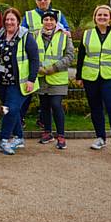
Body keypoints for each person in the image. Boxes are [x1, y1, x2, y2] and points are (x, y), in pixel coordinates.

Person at [76, 5, 111, 160]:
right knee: (95, 108)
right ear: (94, 17)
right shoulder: (87, 34)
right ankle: (100, 138)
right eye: (99, 15)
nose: (102, 17)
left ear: (110, 18)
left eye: (105, 15)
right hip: (90, 77)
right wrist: (79, 76)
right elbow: (81, 56)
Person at [0, 8, 39, 155]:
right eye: (7, 20)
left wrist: (31, 79)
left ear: (18, 21)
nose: (9, 22)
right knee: (12, 110)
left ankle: (4, 140)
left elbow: (35, 60)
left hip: (19, 82)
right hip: (1, 81)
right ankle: (19, 137)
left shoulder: (26, 37)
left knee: (10, 109)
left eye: (12, 19)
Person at [20, 0, 70, 129]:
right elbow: (22, 35)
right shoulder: (28, 16)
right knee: (27, 92)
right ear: (35, 0)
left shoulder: (59, 15)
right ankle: (21, 118)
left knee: (47, 100)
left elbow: (66, 33)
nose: (42, 1)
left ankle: (43, 121)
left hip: (53, 68)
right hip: (33, 62)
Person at [34, 10, 74, 150]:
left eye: (51, 19)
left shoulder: (64, 36)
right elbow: (31, 53)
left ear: (56, 22)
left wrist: (54, 68)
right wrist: (37, 67)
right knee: (44, 106)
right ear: (42, 22)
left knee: (56, 105)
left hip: (57, 77)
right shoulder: (35, 35)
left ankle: (61, 135)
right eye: (46, 19)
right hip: (42, 77)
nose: (49, 22)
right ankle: (47, 132)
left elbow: (69, 56)